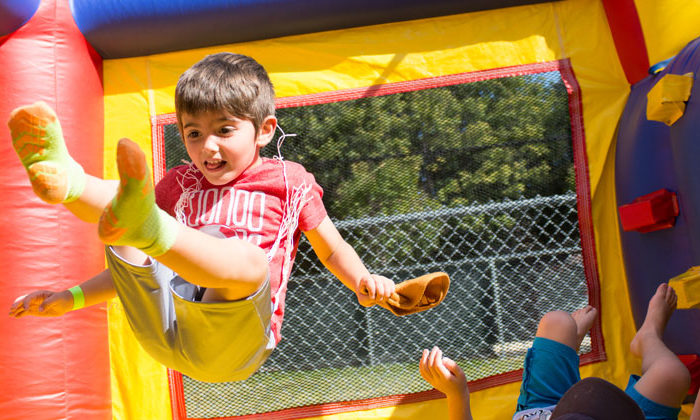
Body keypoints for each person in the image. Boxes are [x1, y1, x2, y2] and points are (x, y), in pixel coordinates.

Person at [7, 52, 398, 383]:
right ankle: (70, 183)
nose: (207, 146)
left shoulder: (288, 180)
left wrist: (362, 278)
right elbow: (136, 273)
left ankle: (131, 215)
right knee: (133, 223)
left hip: (232, 343)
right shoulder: (180, 183)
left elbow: (332, 250)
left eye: (224, 130)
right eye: (193, 133)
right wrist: (69, 298)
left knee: (247, 260)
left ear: (264, 130)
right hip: (163, 328)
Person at [419, 283, 692, 419]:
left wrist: (457, 393)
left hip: (544, 411)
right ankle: (648, 338)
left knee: (557, 322)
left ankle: (568, 350)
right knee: (671, 374)